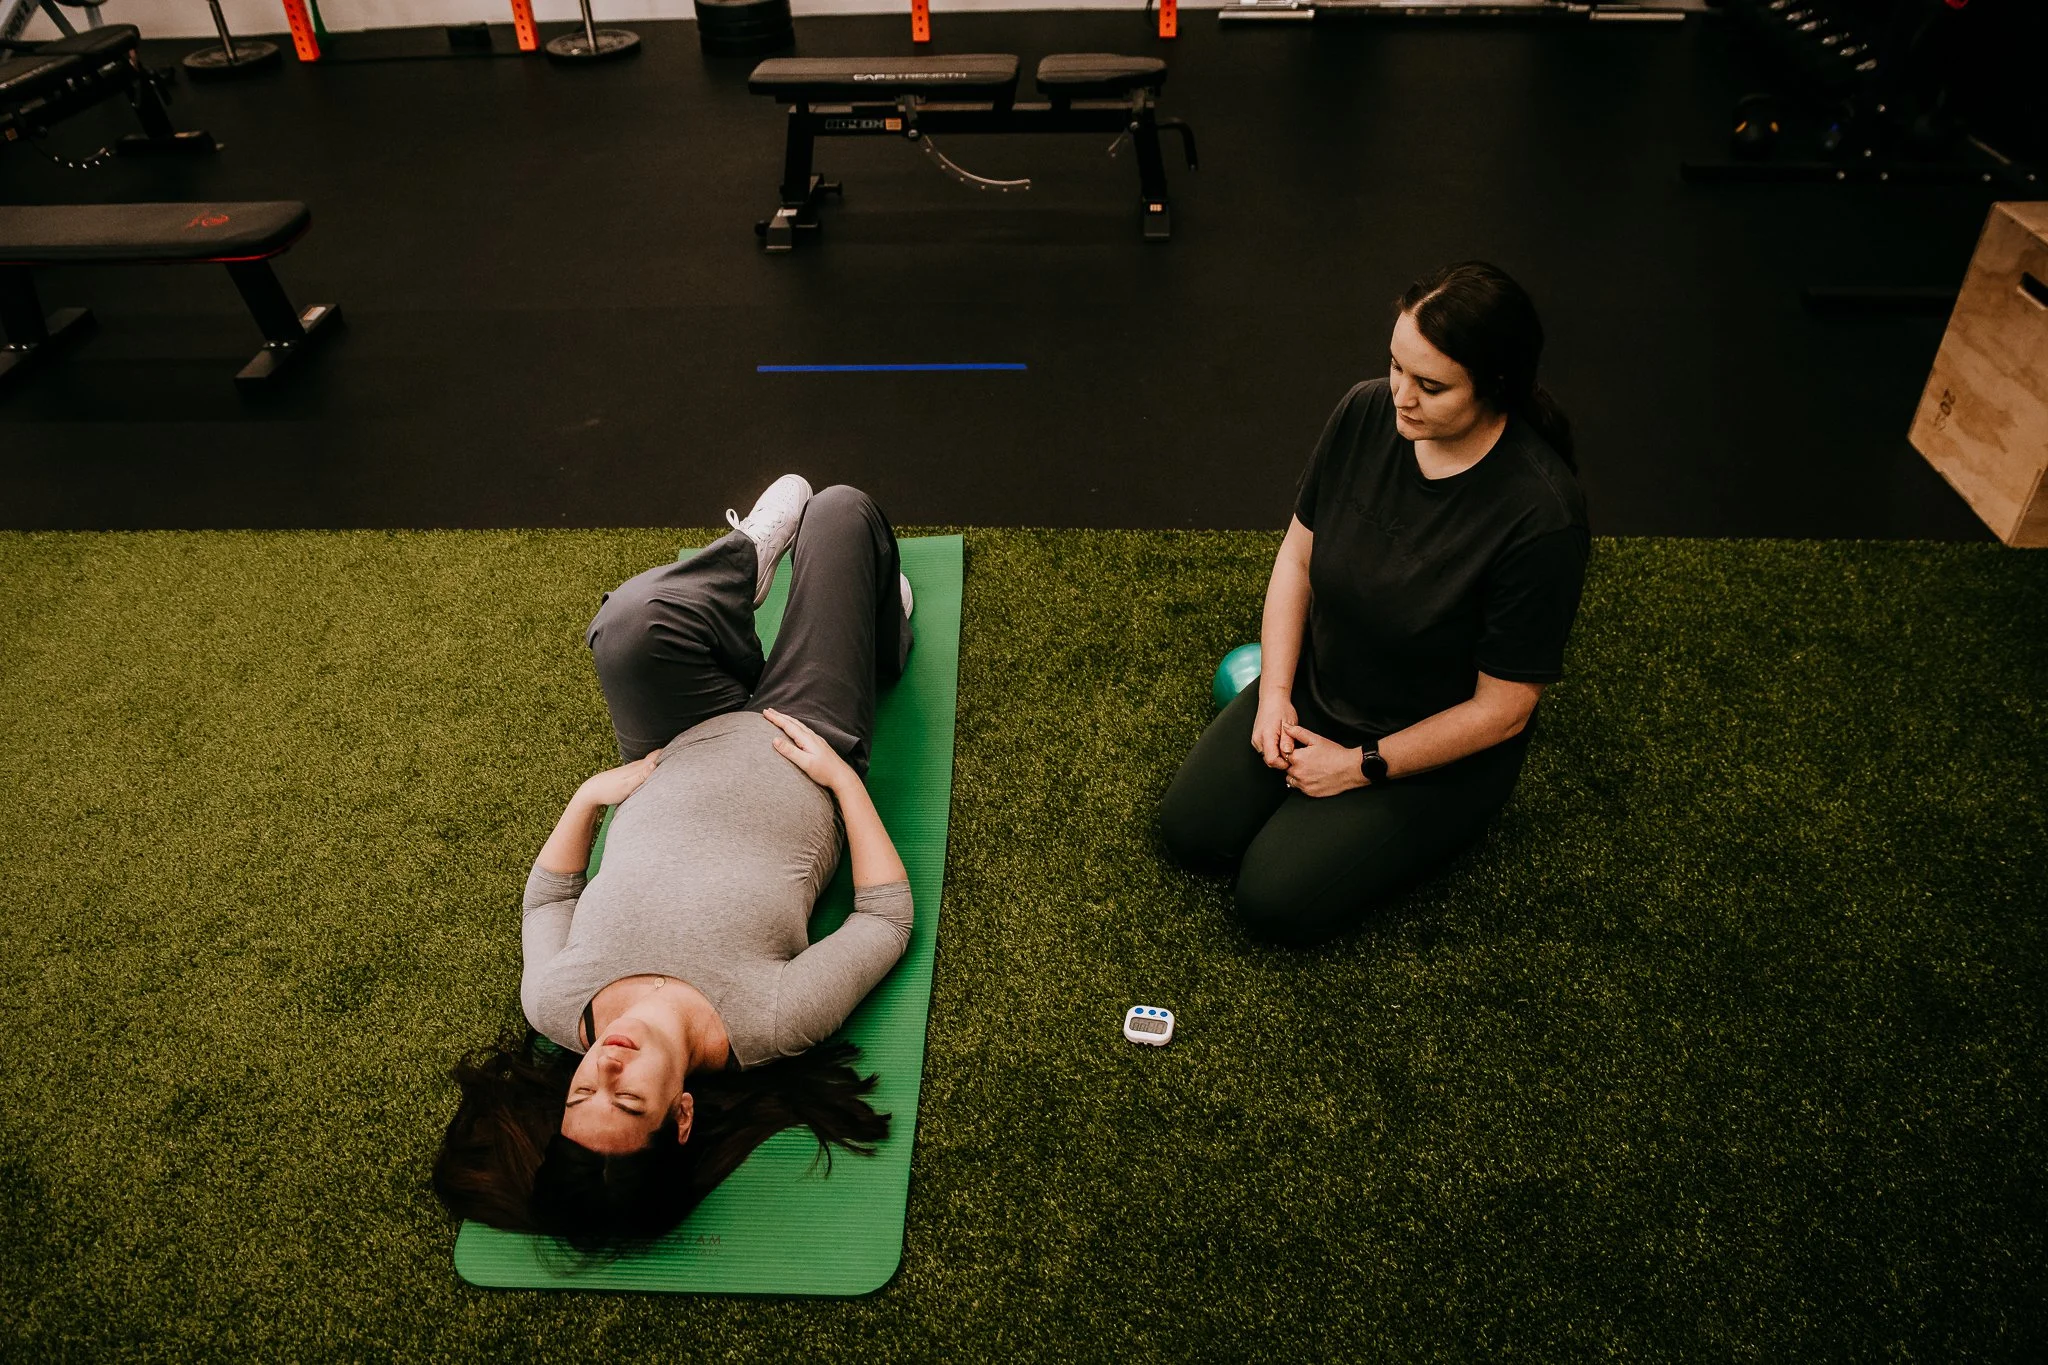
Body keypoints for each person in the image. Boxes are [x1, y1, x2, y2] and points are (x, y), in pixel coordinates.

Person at [433, 477, 919, 1254]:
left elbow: (546, 901)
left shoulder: (555, 1002)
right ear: (683, 1115)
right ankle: (884, 626)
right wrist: (839, 777)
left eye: (582, 1091)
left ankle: (747, 562)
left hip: (677, 736)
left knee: (625, 626)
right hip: (805, 733)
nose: (605, 1069)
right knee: (839, 510)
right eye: (626, 1102)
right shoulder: (767, 1022)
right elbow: (885, 919)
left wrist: (591, 796)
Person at [1160, 262, 1591, 947]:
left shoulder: (1541, 518)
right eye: (1395, 366)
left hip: (1428, 745)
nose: (1401, 396)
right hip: (1320, 687)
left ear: (1496, 387)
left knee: (1272, 899)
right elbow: (1297, 556)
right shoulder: (1365, 411)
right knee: (1189, 831)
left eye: (1430, 385)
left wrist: (1360, 765)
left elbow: (1504, 710)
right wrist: (1274, 693)